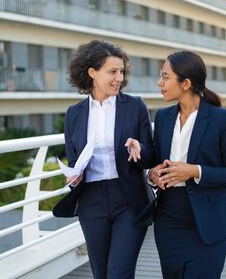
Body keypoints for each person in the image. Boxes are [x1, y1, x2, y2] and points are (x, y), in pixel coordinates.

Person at [52, 40, 154, 279]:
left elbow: (151, 155)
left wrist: (140, 149)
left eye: (121, 71)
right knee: (101, 274)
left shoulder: (135, 106)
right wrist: (73, 176)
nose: (119, 77)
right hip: (91, 202)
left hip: (128, 199)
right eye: (112, 72)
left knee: (119, 273)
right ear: (92, 73)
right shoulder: (74, 114)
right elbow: (75, 160)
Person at [148, 50, 226, 278]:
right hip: (168, 220)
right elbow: (156, 163)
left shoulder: (222, 119)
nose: (159, 82)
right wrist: (152, 174)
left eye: (165, 76)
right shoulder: (163, 118)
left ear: (186, 83)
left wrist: (194, 171)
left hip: (208, 220)